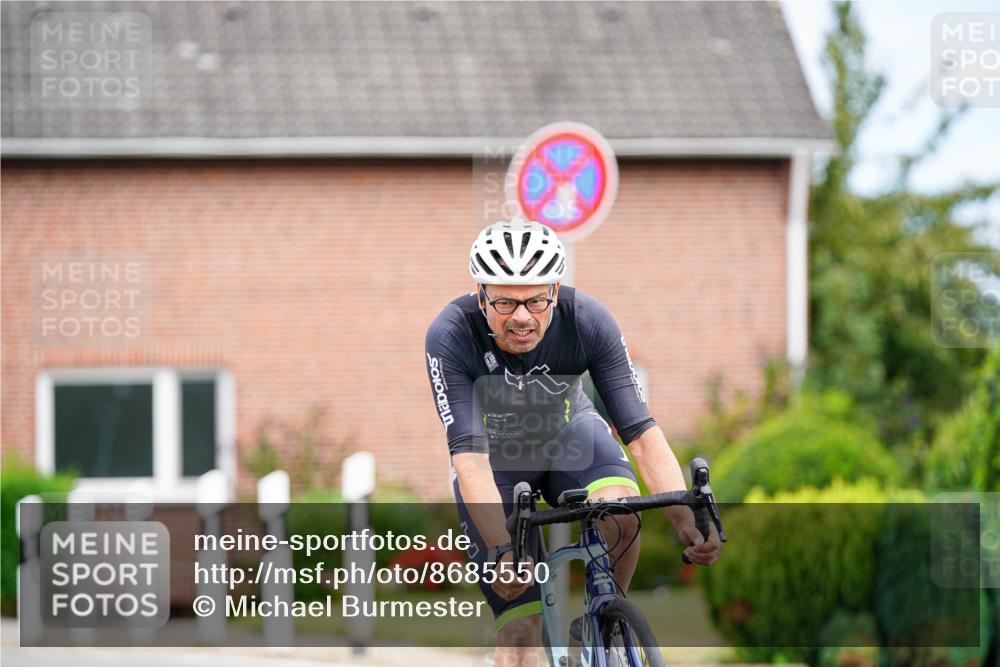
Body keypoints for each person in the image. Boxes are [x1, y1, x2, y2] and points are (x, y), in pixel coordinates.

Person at [424, 218, 722, 666]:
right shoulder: (450, 334)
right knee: (521, 635)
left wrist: (685, 521)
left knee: (620, 511)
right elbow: (469, 460)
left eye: (536, 300)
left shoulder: (588, 321)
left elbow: (640, 433)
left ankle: (606, 624)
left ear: (556, 291)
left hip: (571, 438)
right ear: (481, 295)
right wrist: (504, 550)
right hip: (497, 466)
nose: (522, 316)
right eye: (505, 301)